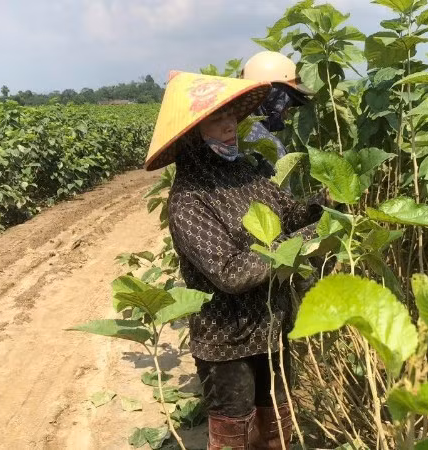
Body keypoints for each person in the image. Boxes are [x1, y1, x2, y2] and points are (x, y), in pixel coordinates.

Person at [144, 71, 327, 450]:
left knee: (277, 422)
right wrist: (305, 239)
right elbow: (232, 273)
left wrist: (324, 204)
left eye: (230, 114)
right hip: (227, 341)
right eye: (216, 119)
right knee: (235, 434)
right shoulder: (188, 201)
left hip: (270, 323)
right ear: (190, 134)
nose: (230, 125)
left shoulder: (245, 173)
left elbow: (290, 213)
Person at [240, 51, 314, 173]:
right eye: (286, 105)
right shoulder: (269, 147)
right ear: (270, 97)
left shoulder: (223, 129)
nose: (287, 113)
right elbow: (280, 185)